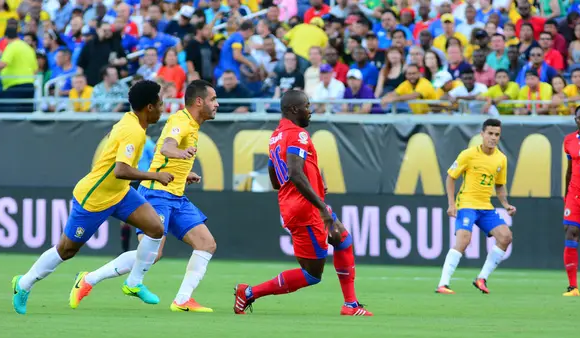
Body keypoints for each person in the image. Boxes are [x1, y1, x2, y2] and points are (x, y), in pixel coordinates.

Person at [12, 81, 173, 315]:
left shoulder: (131, 120)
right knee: (66, 250)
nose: (163, 108)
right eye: (160, 104)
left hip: (120, 193)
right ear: (149, 107)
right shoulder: (133, 131)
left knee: (156, 229)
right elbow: (121, 170)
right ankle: (23, 284)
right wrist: (155, 176)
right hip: (94, 198)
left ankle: (133, 282)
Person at [70, 80, 220, 313]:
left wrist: (183, 174)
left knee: (206, 244)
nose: (217, 104)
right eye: (213, 99)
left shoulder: (191, 124)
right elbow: (167, 147)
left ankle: (182, 300)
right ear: (199, 101)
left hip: (176, 195)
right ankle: (89, 279)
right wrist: (179, 153)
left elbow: (167, 156)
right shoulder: (181, 121)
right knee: (153, 253)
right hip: (157, 194)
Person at [233, 90, 373, 317]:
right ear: (293, 109)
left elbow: (274, 170)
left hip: (298, 205)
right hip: (305, 210)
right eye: (307, 106)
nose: (310, 110)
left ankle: (351, 304)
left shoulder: (276, 135)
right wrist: (319, 206)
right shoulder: (298, 135)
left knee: (342, 238)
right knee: (312, 274)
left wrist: (312, 182)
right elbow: (295, 173)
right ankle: (249, 292)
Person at [436, 119, 516, 294]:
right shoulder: (468, 154)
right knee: (464, 240)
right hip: (467, 204)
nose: (493, 138)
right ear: (482, 134)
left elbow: (500, 185)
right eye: (490, 134)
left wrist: (505, 204)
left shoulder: (501, 159)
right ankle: (443, 284)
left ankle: (481, 278)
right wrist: (451, 204)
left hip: (486, 207)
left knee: (505, 237)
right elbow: (451, 177)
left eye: (497, 135)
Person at [562, 104, 580, 296]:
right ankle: (573, 287)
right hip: (575, 195)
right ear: (575, 120)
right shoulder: (569, 140)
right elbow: (570, 170)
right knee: (571, 232)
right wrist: (566, 196)